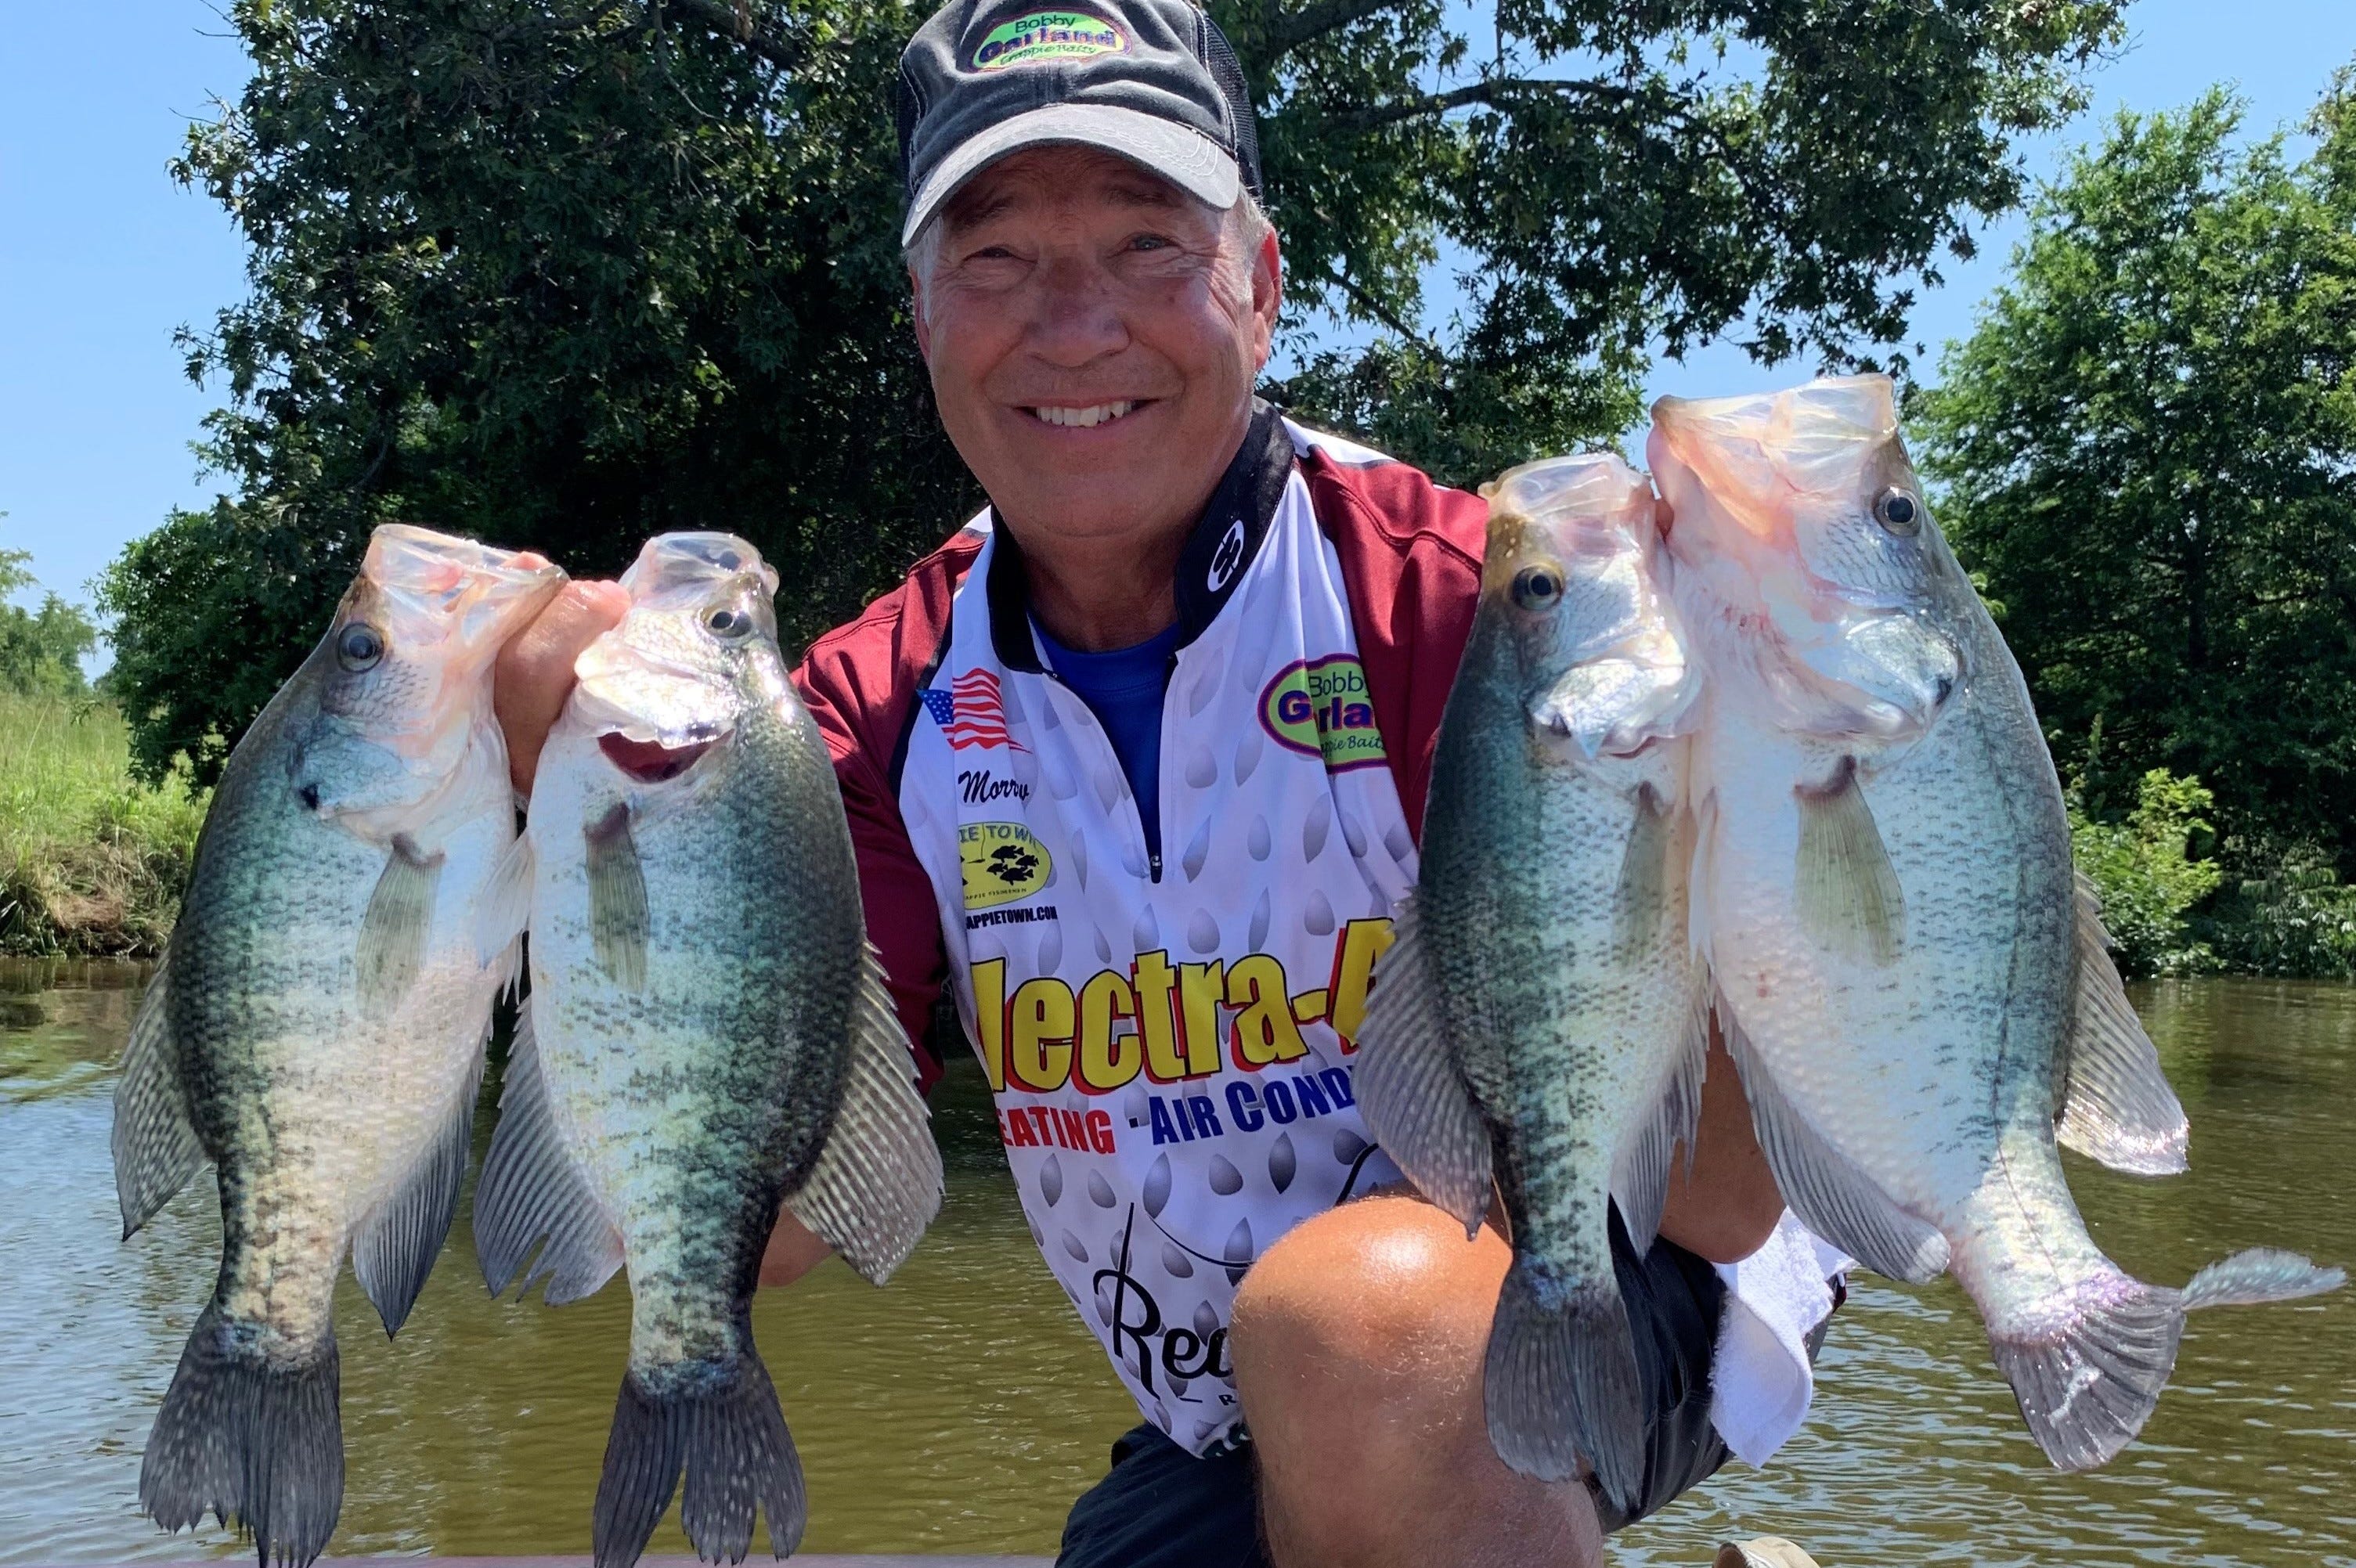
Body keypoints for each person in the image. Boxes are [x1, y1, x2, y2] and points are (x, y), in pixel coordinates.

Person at [492, 2, 1842, 1562]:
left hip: (1617, 1278)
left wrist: (1738, 765)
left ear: (1258, 286)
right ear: (922, 313)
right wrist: (582, 837)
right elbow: (777, 1232)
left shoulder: (1484, 616)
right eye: (993, 259)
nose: (1073, 325)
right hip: (1228, 1415)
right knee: (1318, 1363)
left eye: (1147, 242)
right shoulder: (859, 714)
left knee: (1344, 1332)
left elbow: (1731, 1202)